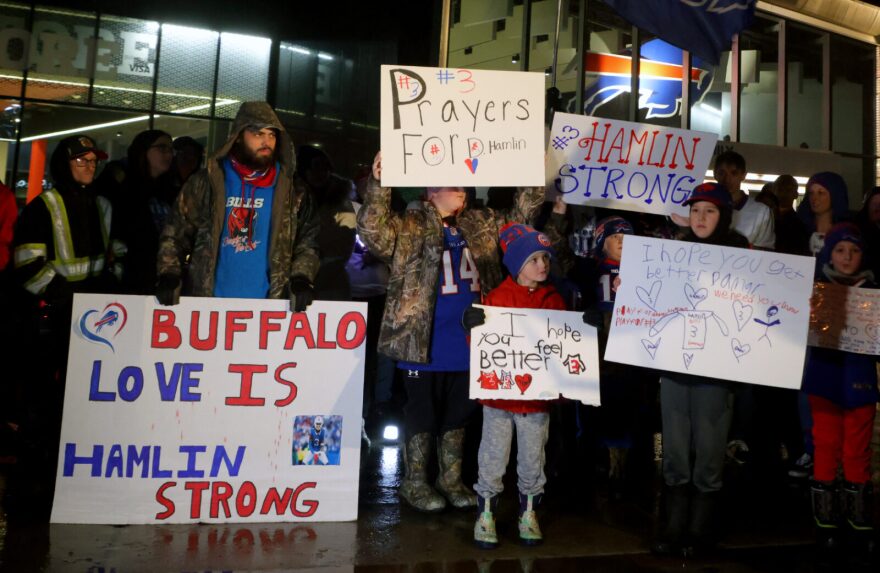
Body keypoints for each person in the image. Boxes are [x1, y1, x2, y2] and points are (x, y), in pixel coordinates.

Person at [357, 152, 545, 513]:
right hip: (422, 342)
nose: (461, 188)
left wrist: (532, 173)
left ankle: (450, 479)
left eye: (463, 182)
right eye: (450, 183)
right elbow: (373, 234)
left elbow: (521, 218)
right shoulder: (410, 223)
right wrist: (380, 185)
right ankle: (414, 482)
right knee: (421, 415)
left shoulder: (481, 223)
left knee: (458, 413)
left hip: (471, 342)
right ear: (431, 190)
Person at [11, 135, 124, 509]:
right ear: (65, 164)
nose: (89, 166)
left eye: (94, 161)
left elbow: (117, 252)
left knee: (78, 403)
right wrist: (65, 295)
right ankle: (30, 488)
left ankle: (65, 482)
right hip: (53, 319)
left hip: (93, 322)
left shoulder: (103, 205)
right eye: (82, 160)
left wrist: (110, 285)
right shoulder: (44, 206)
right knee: (42, 404)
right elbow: (27, 263)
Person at [652, 182, 749, 558]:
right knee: (675, 453)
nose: (701, 218)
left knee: (709, 453)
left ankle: (701, 530)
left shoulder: (739, 252)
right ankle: (674, 527)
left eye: (709, 211)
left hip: (716, 374)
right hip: (675, 370)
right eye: (695, 211)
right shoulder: (674, 251)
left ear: (723, 215)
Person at [156, 102, 319, 307]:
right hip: (208, 304)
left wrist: (302, 278)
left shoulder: (294, 189)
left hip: (270, 307)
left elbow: (308, 242)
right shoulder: (208, 181)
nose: (266, 141)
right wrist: (169, 273)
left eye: (272, 135)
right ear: (239, 136)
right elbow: (176, 232)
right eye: (258, 134)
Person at [465, 223, 566, 548]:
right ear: (517, 264)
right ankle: (486, 516)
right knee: (493, 458)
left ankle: (528, 513)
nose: (542, 265)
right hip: (499, 400)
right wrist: (472, 328)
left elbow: (565, 345)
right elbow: (483, 348)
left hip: (536, 403)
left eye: (545, 259)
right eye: (535, 259)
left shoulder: (554, 301)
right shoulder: (497, 298)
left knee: (532, 460)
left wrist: (585, 330)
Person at [803, 223, 878, 555]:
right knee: (826, 446)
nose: (847, 257)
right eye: (840, 250)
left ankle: (860, 522)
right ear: (828, 253)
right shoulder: (815, 287)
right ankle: (826, 524)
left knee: (857, 451)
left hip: (860, 383)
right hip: (824, 379)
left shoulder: (875, 290)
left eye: (854, 251)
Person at [98, 129, 177, 294]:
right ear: (143, 150)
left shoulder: (169, 189)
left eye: (170, 149)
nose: (168, 154)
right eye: (162, 148)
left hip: (158, 277)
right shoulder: (120, 184)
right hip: (125, 278)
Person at [297, 145, 357, 301]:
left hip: (331, 286)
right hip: (294, 284)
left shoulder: (340, 200)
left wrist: (309, 266)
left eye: (325, 168)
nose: (321, 173)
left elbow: (344, 245)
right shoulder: (292, 198)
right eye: (315, 168)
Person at [712, 151, 775, 249]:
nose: (727, 179)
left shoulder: (761, 211)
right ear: (715, 174)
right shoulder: (704, 207)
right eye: (722, 173)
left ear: (743, 175)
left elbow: (765, 250)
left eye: (734, 173)